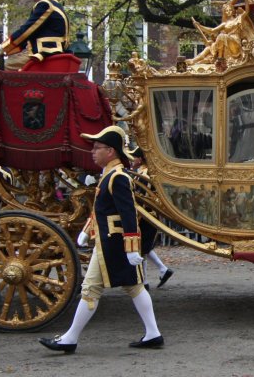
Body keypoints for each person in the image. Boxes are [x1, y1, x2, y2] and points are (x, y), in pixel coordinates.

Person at [39, 126, 163, 353]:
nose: (93, 152)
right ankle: (153, 333)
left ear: (111, 151)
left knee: (91, 289)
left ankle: (70, 339)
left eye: (98, 148)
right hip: (108, 240)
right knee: (134, 287)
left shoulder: (118, 177)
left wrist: (132, 246)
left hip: (112, 243)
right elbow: (101, 211)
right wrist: (87, 230)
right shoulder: (109, 175)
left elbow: (128, 215)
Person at [127, 147, 174, 289]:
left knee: (141, 248)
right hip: (147, 216)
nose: (132, 160)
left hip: (146, 216)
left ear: (140, 159)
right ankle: (162, 270)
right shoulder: (142, 172)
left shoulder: (145, 174)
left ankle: (144, 281)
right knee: (145, 248)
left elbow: (141, 197)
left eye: (133, 158)